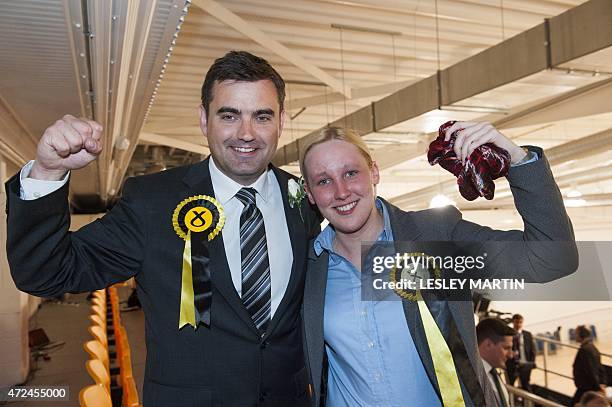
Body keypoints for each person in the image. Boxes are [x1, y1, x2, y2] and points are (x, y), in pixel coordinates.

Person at [5, 51, 320, 406]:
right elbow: (46, 273)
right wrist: (47, 173)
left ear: (281, 121)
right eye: (229, 115)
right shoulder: (151, 202)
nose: (246, 133)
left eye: (262, 116)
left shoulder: (304, 201)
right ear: (204, 120)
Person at [299, 125, 578, 406]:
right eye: (324, 181)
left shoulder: (435, 237)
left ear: (374, 172)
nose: (341, 191)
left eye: (350, 173)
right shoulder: (307, 267)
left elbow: (552, 259)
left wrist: (518, 160)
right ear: (309, 192)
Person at [477, 318, 516, 407]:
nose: (510, 355)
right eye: (506, 348)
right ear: (488, 345)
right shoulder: (472, 378)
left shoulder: (493, 374)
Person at [573, 325, 607, 406]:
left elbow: (591, 370)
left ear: (581, 335)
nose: (574, 336)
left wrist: (598, 388)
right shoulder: (591, 347)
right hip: (587, 387)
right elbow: (599, 367)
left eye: (576, 334)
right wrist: (602, 383)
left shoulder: (585, 350)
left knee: (574, 404)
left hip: (586, 388)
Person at [506, 313, 536, 391]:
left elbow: (532, 350)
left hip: (525, 364)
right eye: (517, 322)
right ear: (513, 322)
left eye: (520, 322)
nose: (518, 324)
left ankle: (528, 403)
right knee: (511, 386)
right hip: (512, 365)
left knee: (526, 385)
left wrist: (531, 363)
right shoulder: (508, 335)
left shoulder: (527, 334)